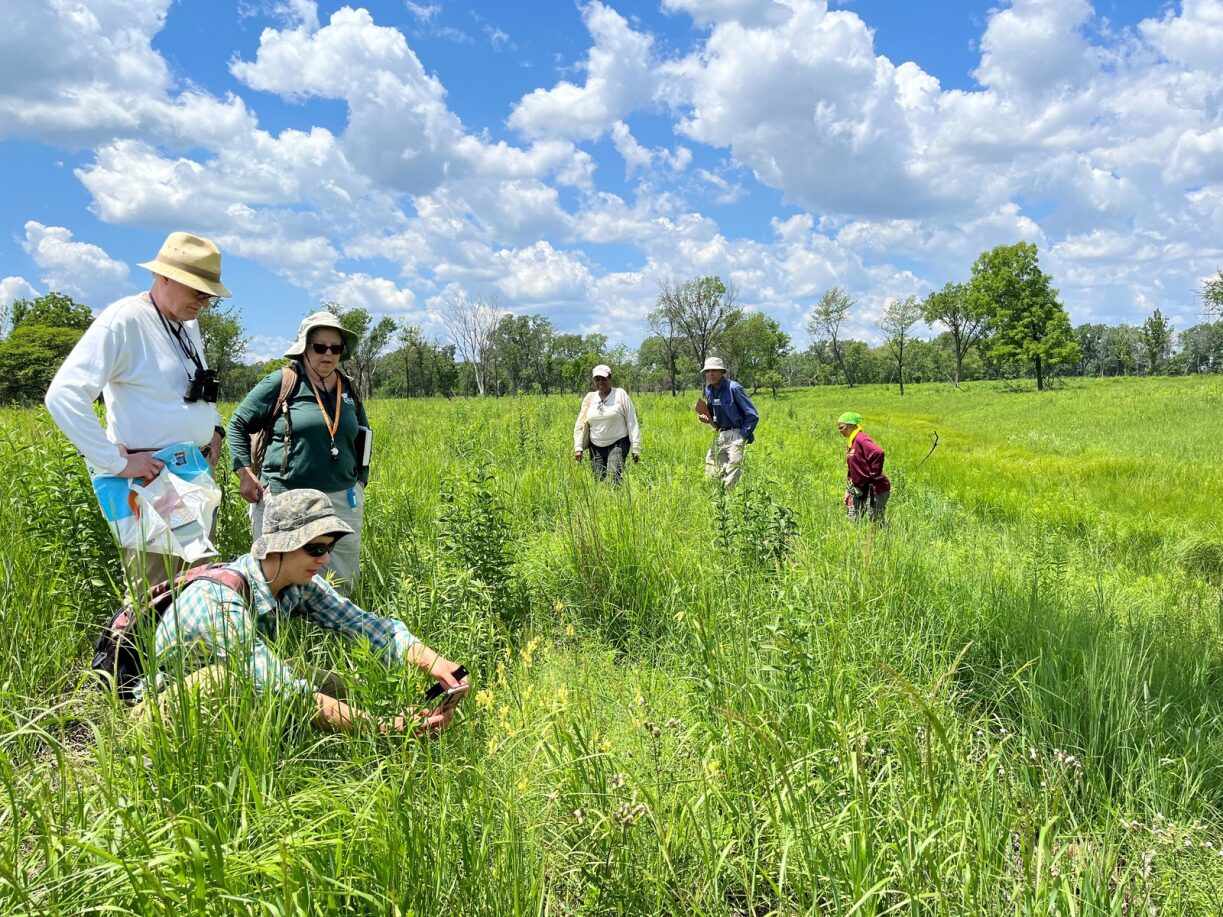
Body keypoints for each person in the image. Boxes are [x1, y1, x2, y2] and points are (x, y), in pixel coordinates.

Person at [132, 490, 467, 735]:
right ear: (280, 546)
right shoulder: (218, 601)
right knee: (223, 680)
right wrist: (381, 728)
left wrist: (436, 664)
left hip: (238, 694)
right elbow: (283, 690)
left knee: (332, 685)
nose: (324, 559)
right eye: (315, 548)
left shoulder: (296, 584)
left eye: (329, 548)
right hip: (160, 713)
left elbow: (371, 628)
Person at [45, 231, 230, 595]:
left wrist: (216, 433)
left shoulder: (186, 326)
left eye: (209, 293)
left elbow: (194, 388)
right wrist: (115, 463)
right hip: (153, 483)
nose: (205, 302)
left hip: (191, 476)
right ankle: (144, 654)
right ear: (164, 277)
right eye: (198, 291)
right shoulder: (125, 319)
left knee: (197, 586)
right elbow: (63, 395)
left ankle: (192, 654)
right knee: (155, 594)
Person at [227, 312, 369, 596]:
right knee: (278, 576)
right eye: (319, 347)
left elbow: (364, 435)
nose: (327, 354)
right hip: (286, 497)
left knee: (340, 579)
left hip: (341, 498)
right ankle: (281, 634)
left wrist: (360, 481)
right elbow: (238, 424)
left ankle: (334, 634)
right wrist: (244, 473)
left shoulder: (348, 387)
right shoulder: (284, 381)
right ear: (304, 347)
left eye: (335, 348)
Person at [573, 364, 642, 483]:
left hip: (618, 443)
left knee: (614, 477)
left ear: (610, 379)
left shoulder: (620, 394)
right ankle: (602, 501)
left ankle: (618, 500)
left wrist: (635, 447)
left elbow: (632, 420)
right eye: (597, 379)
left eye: (604, 379)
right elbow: (580, 424)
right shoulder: (590, 398)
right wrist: (578, 447)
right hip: (596, 446)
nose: (600, 382)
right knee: (599, 480)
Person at [696, 357, 758, 489]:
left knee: (733, 470)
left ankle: (729, 502)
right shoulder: (709, 390)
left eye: (714, 371)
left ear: (722, 372)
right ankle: (715, 499)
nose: (710, 374)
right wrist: (704, 417)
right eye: (708, 371)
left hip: (736, 433)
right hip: (720, 434)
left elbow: (752, 414)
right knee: (711, 469)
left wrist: (742, 435)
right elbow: (711, 410)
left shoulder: (734, 388)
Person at [837, 411, 890, 523]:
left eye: (842, 427)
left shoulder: (861, 439)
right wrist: (848, 491)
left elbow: (878, 452)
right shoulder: (852, 441)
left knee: (875, 522)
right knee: (852, 519)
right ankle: (854, 539)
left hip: (874, 489)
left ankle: (882, 538)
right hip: (859, 489)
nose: (840, 431)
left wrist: (873, 476)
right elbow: (852, 469)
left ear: (851, 425)